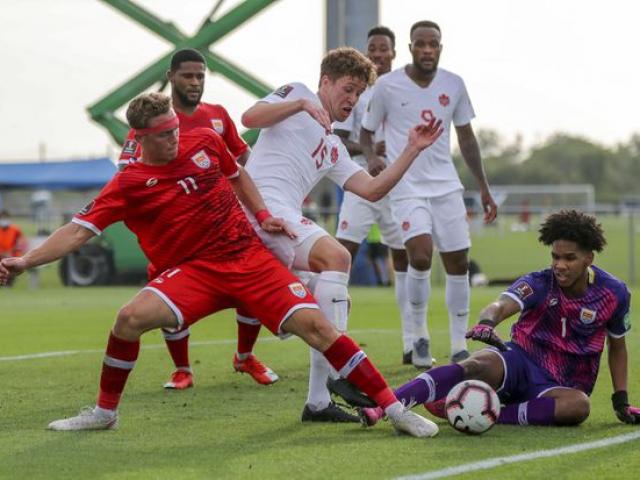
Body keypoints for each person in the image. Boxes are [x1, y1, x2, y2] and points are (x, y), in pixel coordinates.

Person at [0, 92, 439, 438]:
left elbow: (238, 175)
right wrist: (24, 260)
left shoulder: (205, 141)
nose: (175, 138)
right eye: (163, 134)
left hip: (248, 259)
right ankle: (103, 413)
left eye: (174, 128)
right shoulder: (127, 183)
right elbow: (76, 232)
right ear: (138, 138)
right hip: (196, 271)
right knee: (129, 318)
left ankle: (395, 410)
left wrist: (263, 213)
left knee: (321, 328)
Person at [241, 47, 443, 423]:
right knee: (338, 257)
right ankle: (342, 373)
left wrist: (412, 150)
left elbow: (372, 189)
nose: (352, 100)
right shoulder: (298, 93)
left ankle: (318, 402)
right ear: (325, 82)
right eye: (347, 89)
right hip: (260, 211)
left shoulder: (333, 146)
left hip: (281, 220)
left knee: (333, 303)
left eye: (358, 93)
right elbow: (250, 116)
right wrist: (301, 104)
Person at [351, 210, 640, 428]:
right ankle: (384, 406)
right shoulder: (540, 282)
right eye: (555, 256)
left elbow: (618, 347)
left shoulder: (613, 293)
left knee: (578, 407)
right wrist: (487, 323)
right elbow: (501, 304)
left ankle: (484, 410)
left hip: (561, 385)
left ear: (589, 257)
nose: (560, 265)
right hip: (521, 361)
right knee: (478, 362)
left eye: (569, 258)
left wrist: (620, 400)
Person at [118, 48, 276, 390]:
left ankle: (245, 357)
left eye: (200, 76)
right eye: (187, 75)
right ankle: (183, 369)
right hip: (175, 232)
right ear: (171, 76)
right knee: (168, 294)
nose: (194, 82)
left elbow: (244, 158)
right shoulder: (152, 121)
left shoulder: (217, 116)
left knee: (250, 287)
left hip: (223, 228)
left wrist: (269, 192)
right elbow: (126, 169)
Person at [360, 20, 497, 369]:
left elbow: (466, 138)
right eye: (420, 44)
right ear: (410, 48)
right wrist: (374, 156)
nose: (426, 50)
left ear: (440, 47)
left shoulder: (454, 84)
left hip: (446, 187)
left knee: (459, 264)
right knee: (419, 257)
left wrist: (482, 187)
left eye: (432, 44)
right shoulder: (388, 86)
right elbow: (365, 132)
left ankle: (458, 344)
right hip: (405, 186)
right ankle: (419, 337)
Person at [333, 26, 414, 363]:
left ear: (395, 52)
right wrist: (368, 150)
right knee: (341, 256)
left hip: (399, 187)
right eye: (372, 49)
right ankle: (336, 341)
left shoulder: (408, 90)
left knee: (404, 260)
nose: (379, 54)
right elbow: (338, 136)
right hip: (362, 182)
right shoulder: (358, 91)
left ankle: (413, 341)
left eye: (384, 48)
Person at [0, 210, 26, 287]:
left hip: (12, 255)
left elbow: (21, 242)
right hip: (1, 255)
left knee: (12, 263)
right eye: (2, 218)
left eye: (5, 218)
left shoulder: (15, 230)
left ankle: (8, 284)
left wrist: (11, 251)